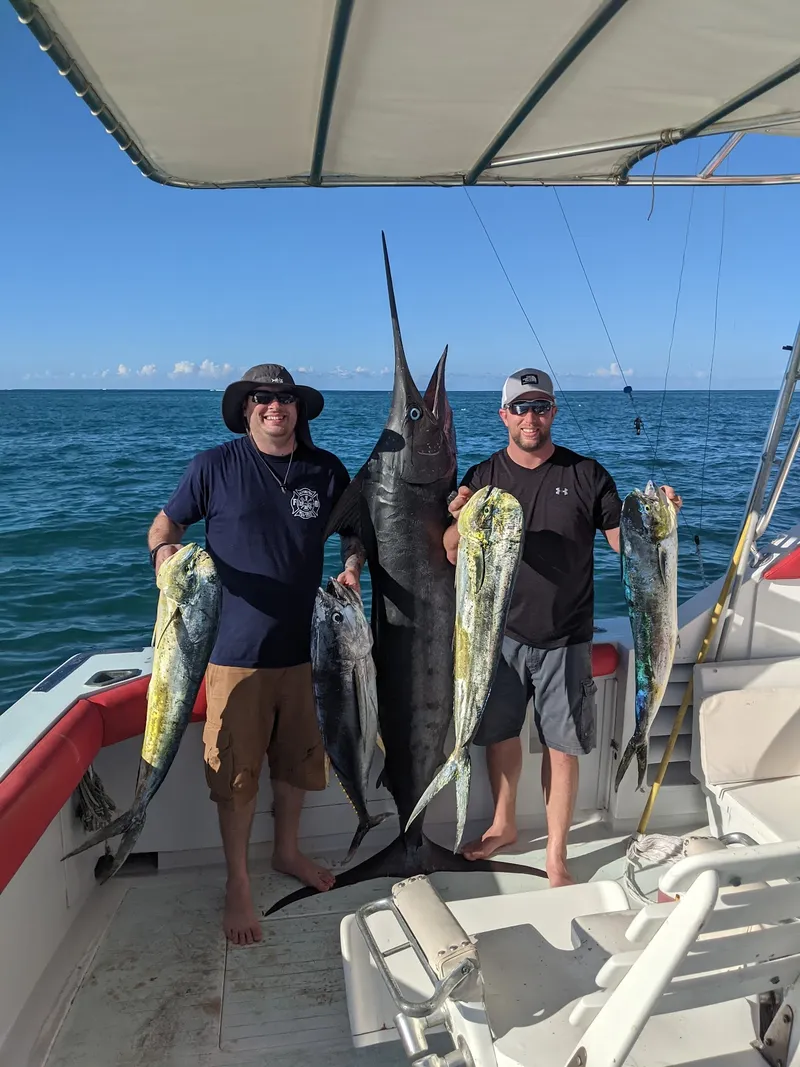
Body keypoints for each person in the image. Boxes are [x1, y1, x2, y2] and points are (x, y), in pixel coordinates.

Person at [147, 364, 364, 945]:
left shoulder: (324, 470)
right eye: (263, 399)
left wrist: (351, 566)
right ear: (246, 410)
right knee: (235, 779)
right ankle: (238, 881)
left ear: (299, 409)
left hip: (312, 652)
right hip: (231, 655)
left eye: (285, 398)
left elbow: (354, 530)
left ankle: (287, 852)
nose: (276, 407)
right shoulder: (213, 467)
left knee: (296, 767)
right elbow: (163, 527)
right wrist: (166, 558)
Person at [443, 368, 681, 887]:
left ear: (553, 411)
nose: (532, 417)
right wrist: (460, 520)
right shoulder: (483, 477)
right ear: (504, 414)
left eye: (541, 406)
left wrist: (657, 517)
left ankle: (556, 853)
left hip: (569, 636)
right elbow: (452, 550)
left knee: (562, 745)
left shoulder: (587, 474)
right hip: (496, 638)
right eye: (522, 408)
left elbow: (625, 543)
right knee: (500, 735)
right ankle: (503, 825)